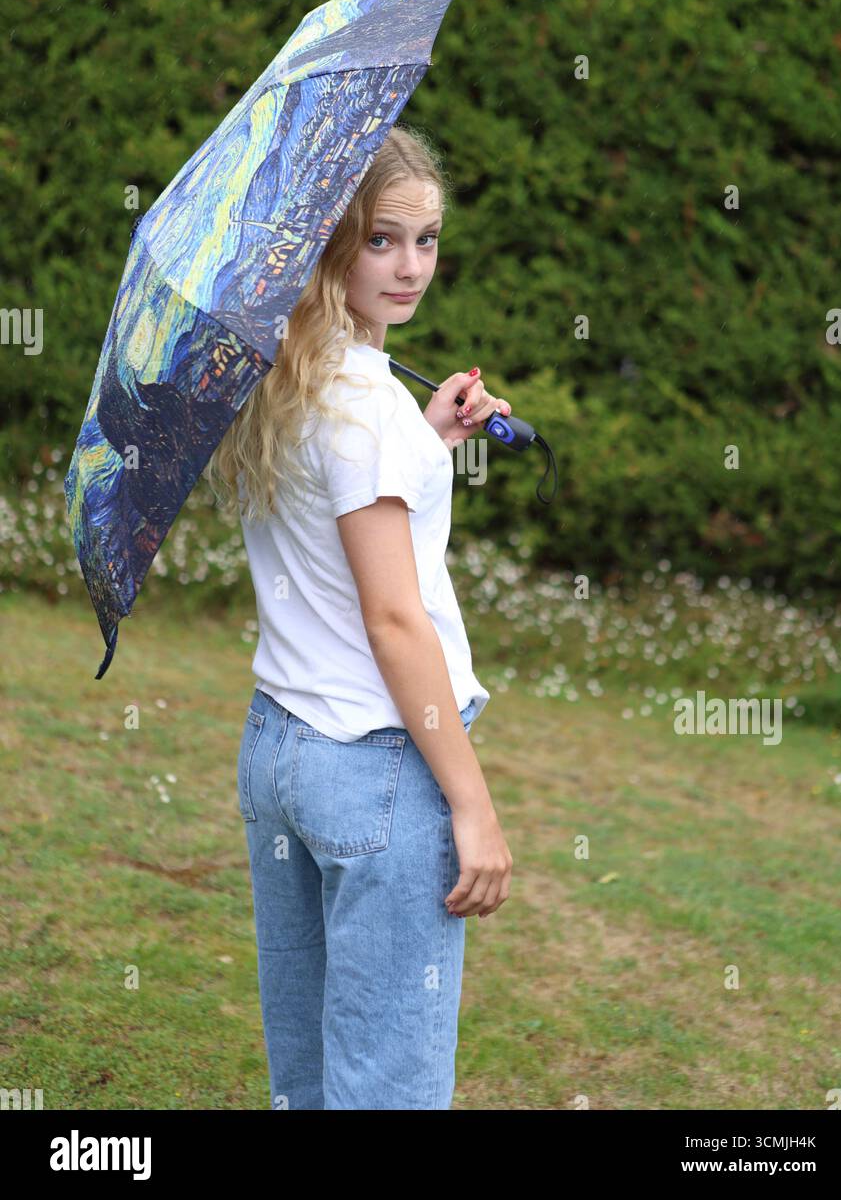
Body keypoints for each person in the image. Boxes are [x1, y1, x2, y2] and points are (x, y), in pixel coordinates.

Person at [204, 125, 513, 1110]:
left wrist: (425, 441)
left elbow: (338, 527)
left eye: (426, 239)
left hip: (280, 755)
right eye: (381, 239)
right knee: (384, 1089)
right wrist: (469, 803)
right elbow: (391, 619)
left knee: (306, 1080)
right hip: (376, 767)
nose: (410, 265)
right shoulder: (362, 410)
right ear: (331, 242)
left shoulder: (282, 377)